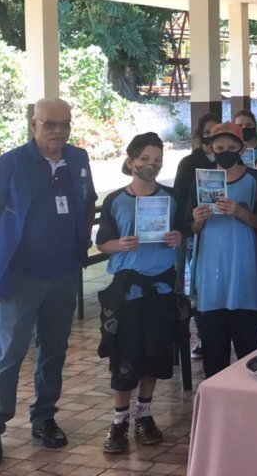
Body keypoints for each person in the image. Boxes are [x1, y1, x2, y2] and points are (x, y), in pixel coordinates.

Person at [0, 98, 97, 469]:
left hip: (62, 275)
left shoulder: (78, 160)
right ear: (33, 125)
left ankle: (44, 418)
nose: (58, 131)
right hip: (20, 278)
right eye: (49, 124)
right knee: (8, 354)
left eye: (65, 123)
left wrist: (81, 241)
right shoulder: (9, 165)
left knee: (54, 350)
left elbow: (87, 201)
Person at [95, 133, 182, 454]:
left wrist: (177, 236)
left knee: (155, 353)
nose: (151, 165)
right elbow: (102, 242)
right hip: (127, 289)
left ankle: (145, 414)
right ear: (131, 161)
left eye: (157, 160)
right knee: (125, 354)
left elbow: (183, 229)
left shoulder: (171, 198)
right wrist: (120, 244)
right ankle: (119, 420)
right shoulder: (115, 200)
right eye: (145, 159)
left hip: (161, 286)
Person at [189, 123, 257, 378]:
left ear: (242, 148)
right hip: (211, 279)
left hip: (244, 273)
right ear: (211, 148)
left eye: (231, 147)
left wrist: (240, 212)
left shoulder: (253, 179)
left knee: (249, 351)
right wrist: (198, 219)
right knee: (214, 354)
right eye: (219, 147)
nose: (225, 152)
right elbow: (191, 228)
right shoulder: (201, 180)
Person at [172, 111, 220, 361]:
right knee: (201, 285)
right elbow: (181, 197)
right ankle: (204, 336)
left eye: (217, 133)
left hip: (224, 232)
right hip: (196, 231)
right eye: (208, 134)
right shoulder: (189, 163)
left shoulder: (230, 161)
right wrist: (190, 222)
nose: (213, 139)